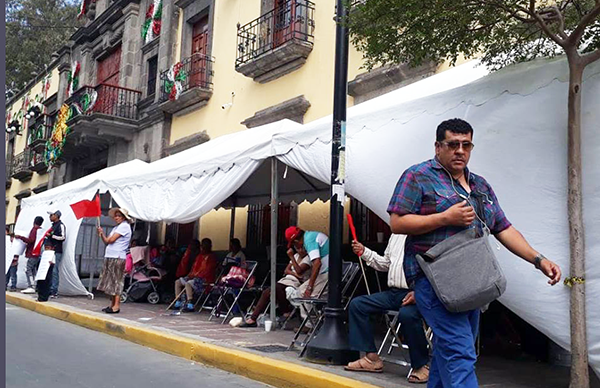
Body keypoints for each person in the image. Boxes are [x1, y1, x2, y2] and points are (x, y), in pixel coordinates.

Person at [387, 118, 561, 388]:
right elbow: (398, 222)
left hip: (472, 280)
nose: (460, 151)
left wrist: (538, 259)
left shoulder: (480, 185)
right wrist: (444, 218)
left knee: (450, 351)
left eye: (466, 145)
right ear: (438, 147)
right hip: (434, 281)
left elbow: (503, 228)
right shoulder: (417, 176)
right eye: (453, 144)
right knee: (460, 352)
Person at [345, 234, 430, 382]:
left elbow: (432, 267)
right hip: (394, 293)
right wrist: (365, 251)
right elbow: (385, 264)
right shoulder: (396, 235)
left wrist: (420, 292)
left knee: (407, 315)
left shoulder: (425, 233)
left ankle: (421, 365)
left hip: (417, 293)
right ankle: (372, 359)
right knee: (358, 305)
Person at [240, 245, 312, 327]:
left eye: (302, 248)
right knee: (267, 292)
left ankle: (284, 311)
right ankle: (253, 318)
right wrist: (294, 272)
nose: (300, 250)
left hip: (297, 283)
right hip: (286, 280)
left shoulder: (308, 259)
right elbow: (286, 270)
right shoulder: (296, 256)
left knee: (275, 289)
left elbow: (299, 271)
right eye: (298, 248)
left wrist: (291, 257)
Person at [284, 226, 329, 322]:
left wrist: (310, 287)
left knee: (305, 294)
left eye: (294, 245)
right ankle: (309, 321)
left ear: (296, 241)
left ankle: (310, 324)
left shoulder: (309, 240)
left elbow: (317, 263)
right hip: (326, 272)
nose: (297, 248)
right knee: (300, 292)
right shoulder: (311, 236)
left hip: (328, 273)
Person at [97, 207, 133, 314]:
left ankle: (116, 306)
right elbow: (107, 241)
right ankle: (112, 304)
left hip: (117, 256)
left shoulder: (124, 227)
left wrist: (103, 234)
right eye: (116, 216)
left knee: (117, 281)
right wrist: (102, 233)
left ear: (124, 218)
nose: (116, 218)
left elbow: (111, 240)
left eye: (119, 216)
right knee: (111, 281)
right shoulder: (117, 227)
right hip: (111, 255)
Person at [174, 238, 217, 312]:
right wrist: (191, 275)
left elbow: (208, 271)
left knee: (189, 283)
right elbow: (194, 268)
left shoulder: (212, 257)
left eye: (205, 245)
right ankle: (178, 302)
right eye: (202, 245)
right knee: (178, 282)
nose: (203, 247)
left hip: (205, 279)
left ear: (209, 246)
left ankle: (190, 305)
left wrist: (195, 276)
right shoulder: (199, 256)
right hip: (194, 277)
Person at [17, 216, 45, 294]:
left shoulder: (34, 230)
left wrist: (20, 237)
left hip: (32, 252)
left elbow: (31, 240)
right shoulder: (41, 230)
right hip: (38, 253)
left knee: (28, 269)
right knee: (34, 269)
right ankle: (35, 285)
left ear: (34, 222)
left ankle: (31, 286)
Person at [46, 210, 66, 298]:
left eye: (51, 215)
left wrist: (52, 236)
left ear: (56, 216)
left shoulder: (61, 225)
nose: (50, 217)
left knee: (54, 270)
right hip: (50, 251)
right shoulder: (53, 226)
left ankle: (54, 291)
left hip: (56, 251)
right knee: (49, 270)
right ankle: (49, 288)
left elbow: (63, 237)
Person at [5, 227, 18, 292]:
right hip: (7, 261)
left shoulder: (14, 243)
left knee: (13, 274)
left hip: (13, 261)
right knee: (6, 274)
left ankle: (13, 286)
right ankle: (5, 285)